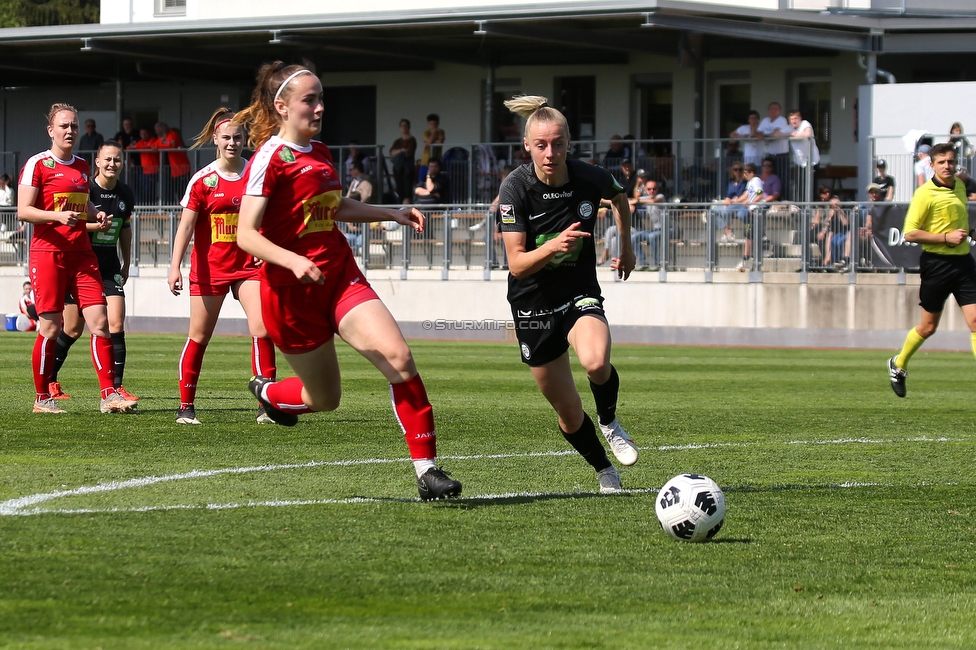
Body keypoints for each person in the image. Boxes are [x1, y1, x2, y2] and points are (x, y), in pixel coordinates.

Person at [233, 62, 462, 500]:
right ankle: (271, 394)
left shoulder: (319, 152)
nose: (319, 108)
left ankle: (427, 470)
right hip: (289, 295)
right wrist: (292, 261)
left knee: (399, 358)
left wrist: (390, 212)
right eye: (309, 100)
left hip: (339, 277)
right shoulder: (268, 159)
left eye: (322, 99)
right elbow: (246, 234)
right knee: (325, 399)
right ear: (282, 106)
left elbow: (333, 208)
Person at [498, 94, 638, 494]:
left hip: (578, 290)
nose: (550, 153)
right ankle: (602, 468)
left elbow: (620, 197)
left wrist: (626, 247)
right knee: (569, 411)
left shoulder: (588, 177)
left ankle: (610, 422)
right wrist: (553, 246)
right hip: (532, 304)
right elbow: (517, 264)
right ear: (527, 146)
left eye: (557, 143)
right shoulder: (515, 189)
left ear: (569, 144)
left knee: (596, 363)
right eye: (540, 145)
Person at [16, 103, 137, 414]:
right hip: (49, 254)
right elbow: (24, 211)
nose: (69, 131)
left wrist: (97, 214)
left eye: (73, 125)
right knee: (51, 328)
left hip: (82, 254)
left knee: (100, 322)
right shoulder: (38, 164)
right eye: (63, 126)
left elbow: (84, 209)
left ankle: (109, 395)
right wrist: (56, 216)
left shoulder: (83, 166)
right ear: (51, 131)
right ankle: (43, 398)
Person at [167, 108, 278, 426]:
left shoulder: (255, 173)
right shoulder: (203, 180)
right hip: (209, 270)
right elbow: (186, 227)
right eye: (226, 137)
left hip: (249, 267)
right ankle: (186, 407)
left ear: (246, 139)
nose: (232, 142)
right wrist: (174, 267)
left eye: (238, 137)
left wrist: (265, 247)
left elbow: (268, 217)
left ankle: (265, 405)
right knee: (198, 336)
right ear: (215, 139)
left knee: (263, 329)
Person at [49, 141, 139, 402]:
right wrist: (94, 228)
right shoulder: (85, 189)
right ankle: (50, 380)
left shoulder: (125, 193)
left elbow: (125, 229)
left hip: (110, 266)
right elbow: (72, 224)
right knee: (73, 329)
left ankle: (117, 387)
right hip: (80, 264)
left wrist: (127, 262)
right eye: (107, 159)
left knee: (116, 323)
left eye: (117, 160)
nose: (112, 164)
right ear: (97, 162)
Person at [887, 143, 973, 398]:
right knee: (928, 327)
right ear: (932, 165)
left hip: (965, 263)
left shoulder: (959, 185)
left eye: (951, 161)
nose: (947, 166)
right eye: (942, 162)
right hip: (937, 265)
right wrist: (946, 237)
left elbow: (959, 223)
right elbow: (910, 233)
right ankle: (898, 364)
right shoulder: (924, 193)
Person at [630, 178, 666, 270]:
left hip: (667, 229)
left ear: (658, 190)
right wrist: (637, 185)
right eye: (649, 189)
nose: (652, 191)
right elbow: (634, 198)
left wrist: (636, 201)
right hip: (655, 229)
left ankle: (656, 263)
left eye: (654, 189)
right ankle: (643, 262)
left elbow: (653, 201)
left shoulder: (660, 197)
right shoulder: (646, 198)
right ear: (645, 191)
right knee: (634, 237)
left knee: (652, 237)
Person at [736, 162, 765, 271]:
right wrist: (736, 201)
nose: (744, 175)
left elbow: (760, 194)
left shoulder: (756, 181)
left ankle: (750, 258)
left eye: (745, 173)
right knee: (747, 233)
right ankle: (746, 256)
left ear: (751, 173)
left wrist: (750, 202)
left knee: (751, 234)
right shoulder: (749, 183)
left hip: (756, 212)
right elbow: (746, 195)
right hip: (751, 212)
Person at [757, 102, 791, 196]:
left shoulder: (782, 120)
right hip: (769, 154)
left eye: (776, 109)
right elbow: (758, 132)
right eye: (771, 108)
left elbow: (776, 134)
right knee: (769, 178)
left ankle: (785, 201)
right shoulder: (765, 120)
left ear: (780, 111)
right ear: (768, 111)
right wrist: (762, 135)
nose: (773, 110)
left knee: (782, 178)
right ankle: (769, 199)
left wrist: (764, 135)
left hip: (781, 154)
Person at [709, 163, 747, 243]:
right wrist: (727, 200)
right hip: (730, 202)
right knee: (712, 212)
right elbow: (728, 195)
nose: (738, 171)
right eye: (735, 169)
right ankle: (727, 231)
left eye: (740, 169)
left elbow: (743, 195)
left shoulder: (744, 182)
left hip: (739, 203)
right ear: (733, 171)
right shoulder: (731, 182)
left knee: (725, 211)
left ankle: (727, 232)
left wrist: (733, 201)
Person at [156, 122, 192, 203]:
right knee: (172, 190)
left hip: (181, 168)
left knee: (182, 190)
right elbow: (155, 145)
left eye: (159, 132)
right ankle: (174, 208)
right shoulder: (163, 138)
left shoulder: (172, 135)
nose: (158, 135)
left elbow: (170, 146)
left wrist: (159, 146)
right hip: (173, 169)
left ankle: (184, 209)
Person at [129, 127, 160, 204]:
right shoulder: (141, 142)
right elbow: (129, 147)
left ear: (149, 133)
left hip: (153, 171)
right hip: (144, 171)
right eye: (142, 134)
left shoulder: (153, 140)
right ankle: (145, 206)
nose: (143, 135)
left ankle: (151, 207)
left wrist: (136, 147)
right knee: (142, 190)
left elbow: (149, 147)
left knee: (150, 191)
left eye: (145, 133)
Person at [389, 118, 417, 204]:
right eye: (402, 126)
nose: (404, 127)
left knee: (407, 190)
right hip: (398, 168)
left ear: (409, 127)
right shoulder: (397, 141)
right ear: (400, 128)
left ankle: (408, 210)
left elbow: (408, 152)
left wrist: (399, 152)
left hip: (407, 168)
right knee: (399, 189)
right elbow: (391, 152)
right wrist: (401, 150)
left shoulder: (412, 140)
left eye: (405, 126)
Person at [418, 113, 445, 180]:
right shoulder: (426, 133)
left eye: (435, 124)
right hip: (425, 162)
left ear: (438, 124)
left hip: (436, 161)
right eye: (431, 124)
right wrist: (433, 133)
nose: (433, 126)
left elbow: (440, 141)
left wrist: (428, 143)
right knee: (422, 181)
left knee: (436, 181)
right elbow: (429, 141)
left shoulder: (441, 131)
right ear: (428, 124)